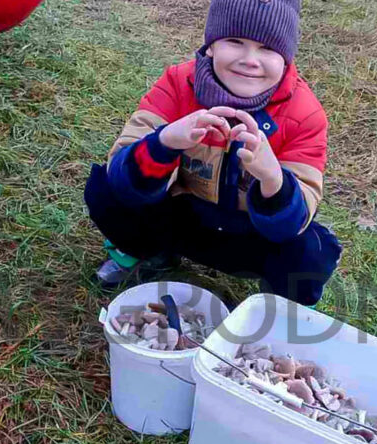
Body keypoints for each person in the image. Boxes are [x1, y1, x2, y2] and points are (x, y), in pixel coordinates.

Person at [84, 0, 341, 306]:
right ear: (211, 46)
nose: (250, 60)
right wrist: (163, 142)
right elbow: (122, 175)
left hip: (249, 235)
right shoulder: (177, 83)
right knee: (105, 191)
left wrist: (273, 179)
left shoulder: (305, 115)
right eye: (235, 41)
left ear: (286, 59)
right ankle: (145, 250)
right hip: (182, 215)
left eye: (267, 49)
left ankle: (280, 308)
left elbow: (294, 220)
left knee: (312, 254)